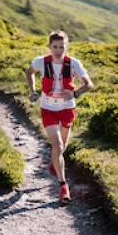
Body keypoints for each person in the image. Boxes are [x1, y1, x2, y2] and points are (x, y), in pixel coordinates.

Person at [25, 30, 94, 203]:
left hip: (67, 109)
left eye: (61, 47)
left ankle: (54, 162)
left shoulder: (74, 64)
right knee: (58, 144)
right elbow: (29, 72)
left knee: (61, 149)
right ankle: (63, 187)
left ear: (66, 47)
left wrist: (75, 93)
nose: (58, 50)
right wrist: (33, 91)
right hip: (48, 108)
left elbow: (89, 85)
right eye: (55, 46)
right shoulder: (41, 62)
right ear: (49, 47)